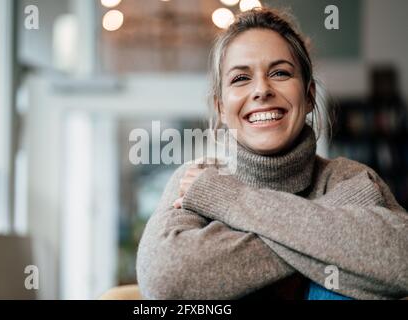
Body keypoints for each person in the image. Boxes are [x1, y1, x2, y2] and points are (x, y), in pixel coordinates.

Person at [136, 7, 408, 300]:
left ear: (308, 96)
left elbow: (402, 262)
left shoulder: (349, 179)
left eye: (280, 73)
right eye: (240, 78)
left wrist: (228, 198)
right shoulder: (193, 179)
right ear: (220, 109)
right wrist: (340, 238)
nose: (262, 90)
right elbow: (166, 280)